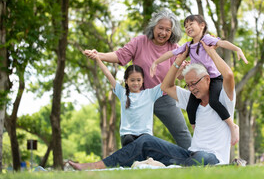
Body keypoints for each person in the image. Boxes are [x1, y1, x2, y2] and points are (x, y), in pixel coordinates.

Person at [69, 41, 236, 170]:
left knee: (204, 159)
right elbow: (166, 86)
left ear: (207, 79)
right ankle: (96, 166)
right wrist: (178, 60)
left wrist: (210, 50)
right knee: (145, 141)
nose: (191, 88)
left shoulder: (224, 98)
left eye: (194, 83)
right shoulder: (191, 99)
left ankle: (165, 166)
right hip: (189, 155)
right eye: (188, 85)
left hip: (213, 159)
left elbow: (228, 74)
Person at [83, 10, 191, 149]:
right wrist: (99, 55)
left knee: (181, 131)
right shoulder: (140, 41)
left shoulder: (174, 48)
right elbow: (120, 56)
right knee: (131, 135)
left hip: (163, 96)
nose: (163, 33)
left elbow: (181, 75)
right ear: (153, 26)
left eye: (167, 30)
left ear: (172, 32)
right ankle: (130, 161)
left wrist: (184, 69)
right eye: (160, 28)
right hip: (138, 97)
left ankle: (195, 160)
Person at [150, 14, 246, 145]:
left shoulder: (206, 40)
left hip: (214, 79)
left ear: (202, 25)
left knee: (214, 101)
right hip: (200, 81)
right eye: (186, 26)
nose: (188, 27)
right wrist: (156, 62)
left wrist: (237, 49)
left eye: (191, 24)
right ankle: (196, 131)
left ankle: (232, 126)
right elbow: (171, 53)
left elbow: (222, 43)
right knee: (190, 107)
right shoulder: (188, 45)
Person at [88, 51, 163, 147]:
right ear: (126, 81)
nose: (135, 83)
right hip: (128, 135)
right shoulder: (122, 93)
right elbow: (108, 74)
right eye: (132, 80)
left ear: (143, 80)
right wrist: (97, 58)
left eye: (138, 80)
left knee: (145, 142)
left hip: (145, 134)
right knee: (128, 141)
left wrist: (178, 66)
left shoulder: (150, 94)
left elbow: (168, 81)